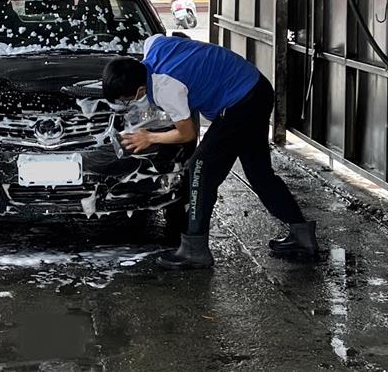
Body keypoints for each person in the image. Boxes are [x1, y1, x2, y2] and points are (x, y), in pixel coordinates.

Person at [102, 34, 318, 270]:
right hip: (255, 87)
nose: (126, 105)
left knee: (200, 169)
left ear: (141, 90)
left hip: (241, 102)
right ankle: (302, 235)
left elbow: (187, 134)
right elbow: (176, 40)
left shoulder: (166, 88)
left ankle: (195, 250)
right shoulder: (153, 45)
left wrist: (149, 137)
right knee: (259, 173)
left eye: (126, 100)